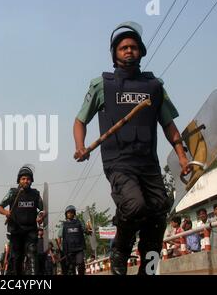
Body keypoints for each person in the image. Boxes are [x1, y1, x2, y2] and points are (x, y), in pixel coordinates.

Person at [73, 21, 190, 275]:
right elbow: (80, 120)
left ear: (141, 51)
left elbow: (169, 124)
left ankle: (148, 269)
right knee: (135, 205)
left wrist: (182, 156)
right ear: (115, 53)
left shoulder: (154, 86)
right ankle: (120, 250)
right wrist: (80, 146)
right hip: (118, 163)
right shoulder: (101, 85)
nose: (129, 51)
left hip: (148, 164)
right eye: (124, 47)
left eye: (134, 47)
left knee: (159, 210)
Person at [0, 165, 45, 275]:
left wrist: (41, 216)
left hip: (31, 231)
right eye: (23, 179)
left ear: (31, 181)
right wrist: (6, 212)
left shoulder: (35, 194)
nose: (26, 181)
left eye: (28, 179)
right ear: (19, 180)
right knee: (17, 259)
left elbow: (42, 210)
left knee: (32, 252)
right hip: (16, 231)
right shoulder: (12, 193)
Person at [56, 205, 90, 275]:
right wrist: (60, 249)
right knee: (71, 268)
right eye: (68, 213)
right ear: (66, 214)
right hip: (69, 250)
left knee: (80, 264)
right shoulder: (63, 225)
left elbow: (86, 231)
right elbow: (59, 236)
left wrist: (89, 230)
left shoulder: (79, 222)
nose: (70, 214)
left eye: (72, 212)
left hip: (79, 249)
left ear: (74, 213)